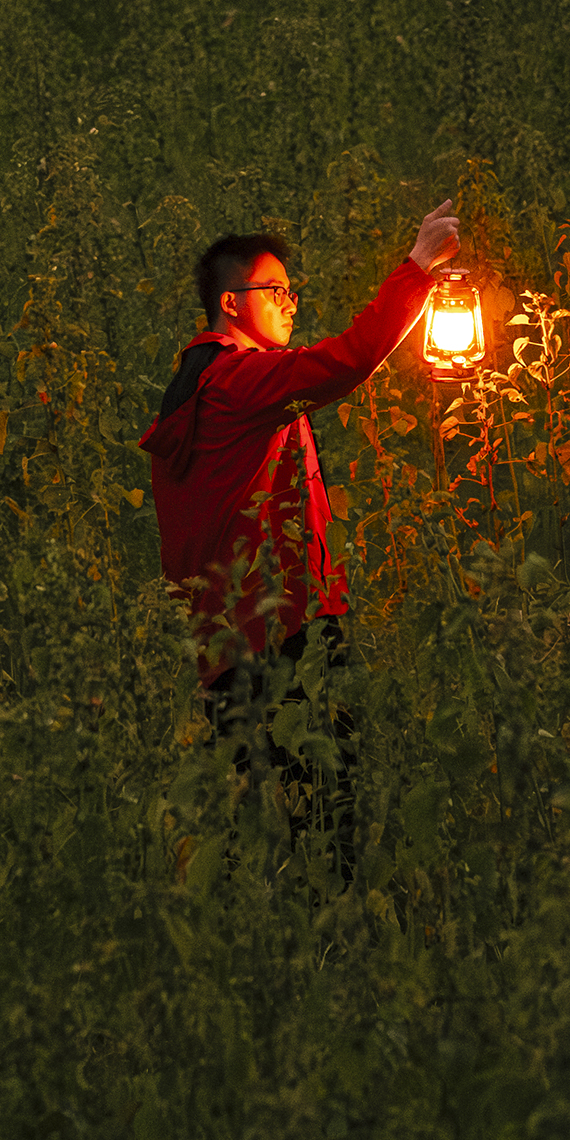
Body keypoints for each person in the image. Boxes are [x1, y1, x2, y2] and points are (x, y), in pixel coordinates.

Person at [141, 201, 460, 872]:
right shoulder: (234, 380)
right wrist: (419, 268)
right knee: (330, 823)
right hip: (286, 634)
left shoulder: (200, 386)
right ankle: (338, 959)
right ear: (232, 303)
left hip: (232, 648)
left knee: (268, 832)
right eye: (275, 290)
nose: (290, 302)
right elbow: (346, 361)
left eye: (292, 290)